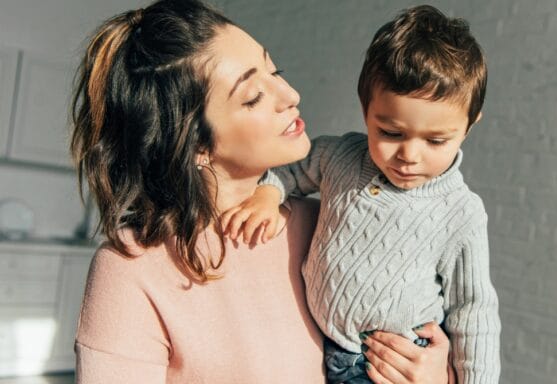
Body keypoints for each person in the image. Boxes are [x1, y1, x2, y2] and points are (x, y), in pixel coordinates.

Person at [69, 0, 454, 382]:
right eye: (253, 96)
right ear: (195, 145)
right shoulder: (131, 270)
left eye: (276, 71)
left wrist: (436, 376)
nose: (289, 95)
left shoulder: (328, 223)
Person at [223, 5, 501, 383]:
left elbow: (474, 310)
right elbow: (291, 171)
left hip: (389, 366)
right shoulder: (339, 156)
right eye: (390, 133)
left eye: (436, 140)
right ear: (366, 110)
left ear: (469, 124)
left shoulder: (461, 212)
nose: (409, 155)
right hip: (323, 347)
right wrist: (268, 195)